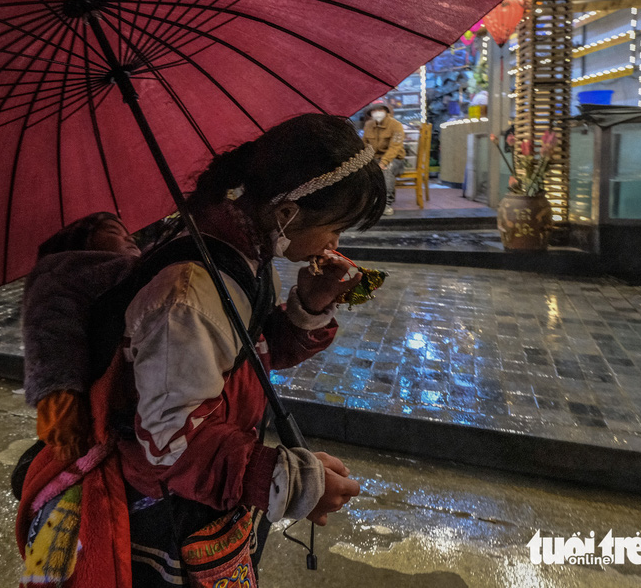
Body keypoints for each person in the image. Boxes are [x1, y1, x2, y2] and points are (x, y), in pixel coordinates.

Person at [119, 113, 386, 585]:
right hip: (169, 510)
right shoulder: (190, 293)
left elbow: (251, 357)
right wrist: (287, 479)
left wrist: (311, 304)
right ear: (288, 213)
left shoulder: (244, 253)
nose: (336, 244)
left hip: (213, 494)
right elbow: (172, 443)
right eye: (335, 228)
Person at [22, 212, 141, 462]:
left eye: (128, 233)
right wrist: (63, 411)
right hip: (101, 415)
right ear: (82, 244)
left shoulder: (141, 270)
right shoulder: (62, 275)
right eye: (113, 232)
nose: (129, 238)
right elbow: (52, 341)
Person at [361, 100, 405, 216]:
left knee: (386, 169)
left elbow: (395, 148)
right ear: (370, 113)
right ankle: (367, 203)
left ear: (386, 111)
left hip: (395, 159)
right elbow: (364, 145)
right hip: (375, 158)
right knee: (361, 171)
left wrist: (384, 162)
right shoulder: (369, 125)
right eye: (374, 110)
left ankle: (385, 204)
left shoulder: (396, 125)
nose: (377, 112)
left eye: (380, 109)